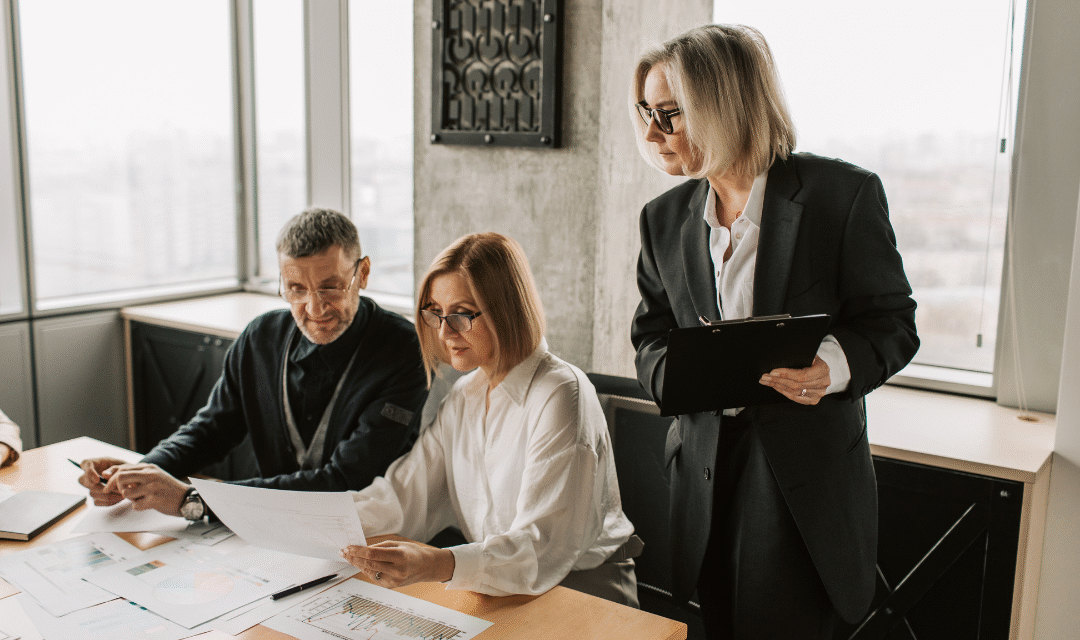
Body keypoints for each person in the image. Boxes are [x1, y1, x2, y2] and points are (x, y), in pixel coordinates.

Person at [629, 25, 918, 639]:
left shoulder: (842, 195)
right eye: (645, 112)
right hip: (703, 469)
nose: (652, 134)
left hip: (802, 481)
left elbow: (892, 322)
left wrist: (830, 368)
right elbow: (650, 335)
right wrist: (680, 377)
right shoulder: (662, 219)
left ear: (724, 104)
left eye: (668, 114)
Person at [340, 232, 641, 605]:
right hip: (501, 590)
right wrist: (315, 521)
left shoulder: (562, 394)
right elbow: (402, 498)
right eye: (435, 312)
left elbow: (540, 547)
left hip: (584, 595)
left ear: (506, 309)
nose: (445, 332)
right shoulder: (464, 395)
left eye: (461, 314)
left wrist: (437, 564)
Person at [77, 208, 428, 520]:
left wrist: (194, 500)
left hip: (369, 535)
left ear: (362, 274)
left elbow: (347, 480)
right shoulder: (261, 338)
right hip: (266, 526)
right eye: (296, 289)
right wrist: (141, 472)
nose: (314, 309)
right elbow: (211, 430)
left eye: (330, 288)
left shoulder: (405, 349)